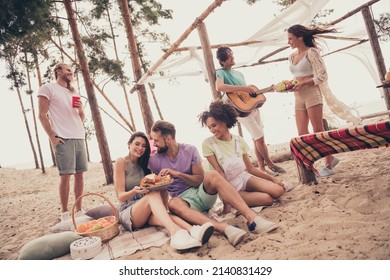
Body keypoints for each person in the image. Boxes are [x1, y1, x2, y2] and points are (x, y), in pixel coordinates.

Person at [148, 120, 279, 247]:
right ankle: (224, 228)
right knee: (173, 204)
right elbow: (149, 180)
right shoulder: (154, 160)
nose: (154, 144)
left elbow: (199, 179)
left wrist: (178, 174)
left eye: (157, 140)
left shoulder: (189, 150)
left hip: (202, 194)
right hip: (184, 201)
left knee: (213, 175)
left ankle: (252, 219)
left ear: (168, 139)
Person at [114, 132, 215, 250]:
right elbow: (120, 197)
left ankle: (193, 230)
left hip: (145, 208)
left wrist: (163, 183)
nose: (140, 148)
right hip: (129, 211)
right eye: (137, 144)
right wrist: (134, 191)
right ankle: (175, 233)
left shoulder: (144, 163)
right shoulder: (121, 162)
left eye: (144, 146)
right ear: (129, 144)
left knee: (166, 215)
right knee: (152, 195)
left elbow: (155, 185)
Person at [199, 101, 289, 214]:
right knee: (267, 199)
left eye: (214, 125)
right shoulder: (208, 144)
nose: (212, 130)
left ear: (225, 121)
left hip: (243, 178)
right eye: (209, 127)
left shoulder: (238, 140)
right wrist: (226, 203)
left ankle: (253, 193)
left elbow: (250, 168)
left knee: (278, 190)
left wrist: (273, 179)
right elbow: (219, 175)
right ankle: (237, 201)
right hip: (229, 186)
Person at [215, 46, 286, 174]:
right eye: (229, 56)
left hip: (251, 108)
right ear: (223, 61)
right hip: (241, 112)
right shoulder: (221, 72)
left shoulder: (239, 73)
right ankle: (271, 164)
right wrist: (242, 87)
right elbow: (219, 87)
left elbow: (246, 95)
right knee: (260, 138)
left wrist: (267, 90)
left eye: (232, 55)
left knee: (256, 138)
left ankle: (262, 168)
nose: (232, 57)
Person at [286, 24, 341, 176]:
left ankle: (329, 165)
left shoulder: (312, 52)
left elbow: (322, 75)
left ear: (300, 37)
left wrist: (304, 83)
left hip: (312, 93)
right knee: (302, 133)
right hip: (298, 96)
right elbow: (296, 77)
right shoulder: (292, 56)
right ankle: (311, 165)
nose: (288, 42)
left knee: (318, 131)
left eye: (290, 39)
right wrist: (288, 85)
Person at [38, 63, 87, 222]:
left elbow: (79, 118)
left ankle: (79, 210)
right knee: (66, 175)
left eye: (71, 71)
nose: (70, 72)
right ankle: (65, 213)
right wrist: (52, 136)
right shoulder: (48, 88)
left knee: (80, 175)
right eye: (67, 70)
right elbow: (41, 114)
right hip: (63, 137)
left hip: (79, 136)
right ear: (58, 71)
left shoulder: (74, 92)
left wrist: (81, 110)